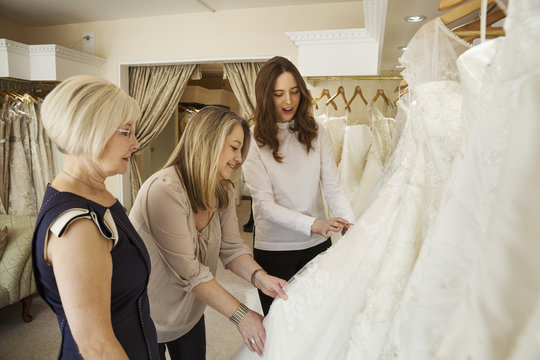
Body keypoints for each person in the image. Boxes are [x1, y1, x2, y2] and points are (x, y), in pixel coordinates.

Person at [129, 106, 288, 359]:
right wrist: (241, 315)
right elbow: (189, 271)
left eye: (241, 151)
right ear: (209, 141)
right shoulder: (164, 190)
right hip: (146, 315)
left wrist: (260, 277)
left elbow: (232, 249)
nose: (239, 159)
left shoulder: (221, 189)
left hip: (189, 312)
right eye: (234, 147)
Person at [32, 75, 159, 359]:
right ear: (91, 131)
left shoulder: (98, 197)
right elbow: (96, 347)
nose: (136, 143)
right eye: (126, 132)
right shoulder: (77, 227)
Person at [242, 56, 355, 315]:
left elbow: (332, 186)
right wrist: (314, 224)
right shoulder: (252, 139)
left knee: (318, 321)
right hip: (275, 249)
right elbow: (265, 206)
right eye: (279, 94)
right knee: (281, 325)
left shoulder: (317, 132)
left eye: (294, 92)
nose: (289, 101)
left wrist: (349, 224)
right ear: (265, 97)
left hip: (317, 246)